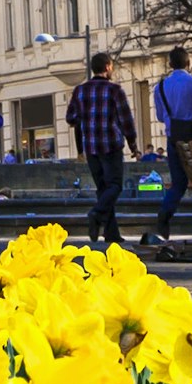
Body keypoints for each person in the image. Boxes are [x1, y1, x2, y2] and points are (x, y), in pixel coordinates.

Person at [149, 47, 192, 245]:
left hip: (174, 140)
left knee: (178, 183)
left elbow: (161, 117)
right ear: (188, 63)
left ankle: (165, 213)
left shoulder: (160, 87)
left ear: (170, 64)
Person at [66, 52, 137, 247]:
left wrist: (85, 119)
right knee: (115, 185)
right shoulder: (115, 90)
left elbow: (71, 118)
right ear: (107, 67)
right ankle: (96, 213)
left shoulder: (80, 91)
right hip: (111, 144)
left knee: (103, 188)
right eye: (111, 66)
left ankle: (111, 232)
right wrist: (133, 144)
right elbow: (126, 120)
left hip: (91, 147)